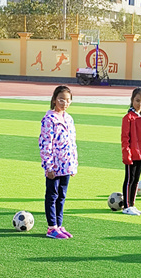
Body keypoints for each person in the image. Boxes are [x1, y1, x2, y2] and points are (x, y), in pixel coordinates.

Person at [39, 85, 78, 239]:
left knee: (62, 196)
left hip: (66, 165)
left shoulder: (68, 118)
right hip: (54, 167)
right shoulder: (49, 119)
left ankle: (59, 225)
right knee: (52, 195)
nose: (64, 103)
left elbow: (72, 143)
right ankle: (51, 227)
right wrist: (48, 166)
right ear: (54, 100)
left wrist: (73, 164)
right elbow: (46, 143)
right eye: (61, 99)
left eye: (68, 100)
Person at [120, 87, 141, 216]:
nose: (140, 104)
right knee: (129, 180)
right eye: (137, 100)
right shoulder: (128, 118)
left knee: (136, 180)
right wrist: (127, 153)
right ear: (132, 100)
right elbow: (125, 137)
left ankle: (132, 204)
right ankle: (126, 205)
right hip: (132, 154)